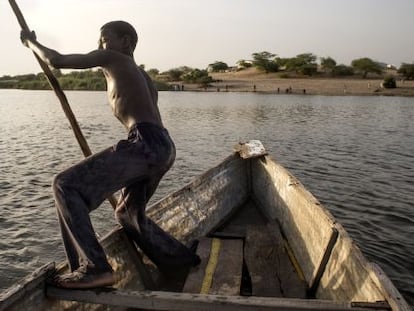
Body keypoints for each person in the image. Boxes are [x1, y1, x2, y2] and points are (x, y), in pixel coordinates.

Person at [20, 21, 200, 289]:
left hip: (145, 142)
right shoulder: (143, 76)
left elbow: (56, 60)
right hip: (163, 145)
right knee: (127, 213)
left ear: (126, 42)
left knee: (65, 184)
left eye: (104, 39)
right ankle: (179, 261)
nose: (98, 46)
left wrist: (30, 43)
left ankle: (95, 268)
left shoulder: (112, 57)